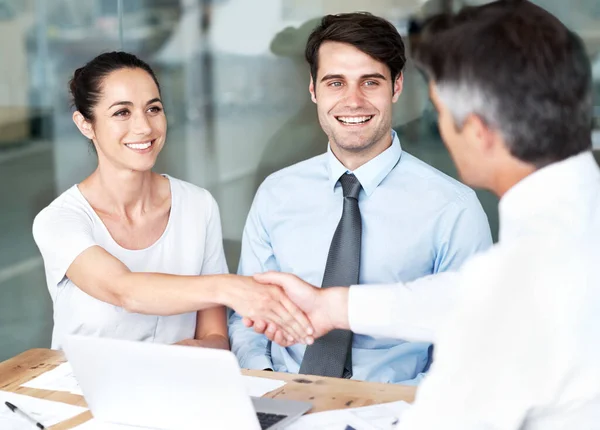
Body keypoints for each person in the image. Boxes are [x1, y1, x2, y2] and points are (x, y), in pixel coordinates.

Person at [250, 1, 600, 428]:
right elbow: (461, 296)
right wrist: (338, 307)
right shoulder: (566, 227)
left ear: (477, 131)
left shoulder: (518, 274)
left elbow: (453, 397)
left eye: (440, 113)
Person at [229, 12, 492, 384]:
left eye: (370, 82)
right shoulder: (276, 194)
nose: (353, 101)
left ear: (397, 86)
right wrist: (265, 377)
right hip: (283, 395)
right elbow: (247, 317)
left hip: (399, 409)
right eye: (335, 83)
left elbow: (471, 340)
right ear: (313, 89)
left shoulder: (453, 208)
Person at [32, 52, 312, 351]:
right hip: (77, 394)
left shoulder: (197, 205)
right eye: (122, 113)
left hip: (175, 390)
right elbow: (124, 290)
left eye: (153, 109)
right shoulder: (59, 221)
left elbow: (215, 337)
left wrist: (187, 355)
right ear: (85, 124)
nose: (144, 127)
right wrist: (232, 288)